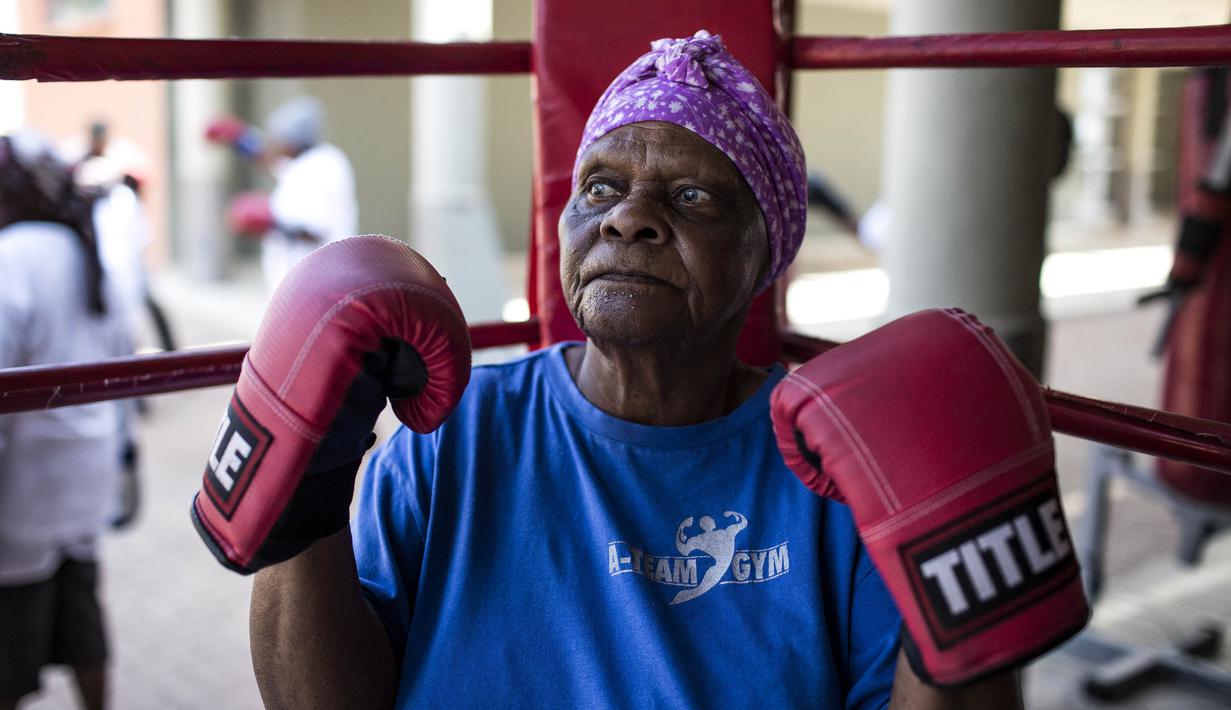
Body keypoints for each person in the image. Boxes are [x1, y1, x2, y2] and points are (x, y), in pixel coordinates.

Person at [220, 33, 1025, 708]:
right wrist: (307, 489)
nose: (628, 216)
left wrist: (968, 574)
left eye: (691, 198)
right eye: (600, 186)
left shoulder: (833, 470)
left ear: (763, 255)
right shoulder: (454, 431)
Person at [0, 130, 132, 710]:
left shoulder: (10, 254)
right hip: (85, 475)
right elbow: (123, 354)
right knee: (82, 619)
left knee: (7, 644)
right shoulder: (83, 244)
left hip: (21, 489)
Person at [207, 97, 359, 292]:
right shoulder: (298, 160)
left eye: (280, 139)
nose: (276, 144)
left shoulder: (325, 167)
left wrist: (272, 222)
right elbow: (265, 155)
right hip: (296, 285)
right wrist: (238, 137)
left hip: (319, 286)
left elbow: (316, 231)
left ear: (294, 141)